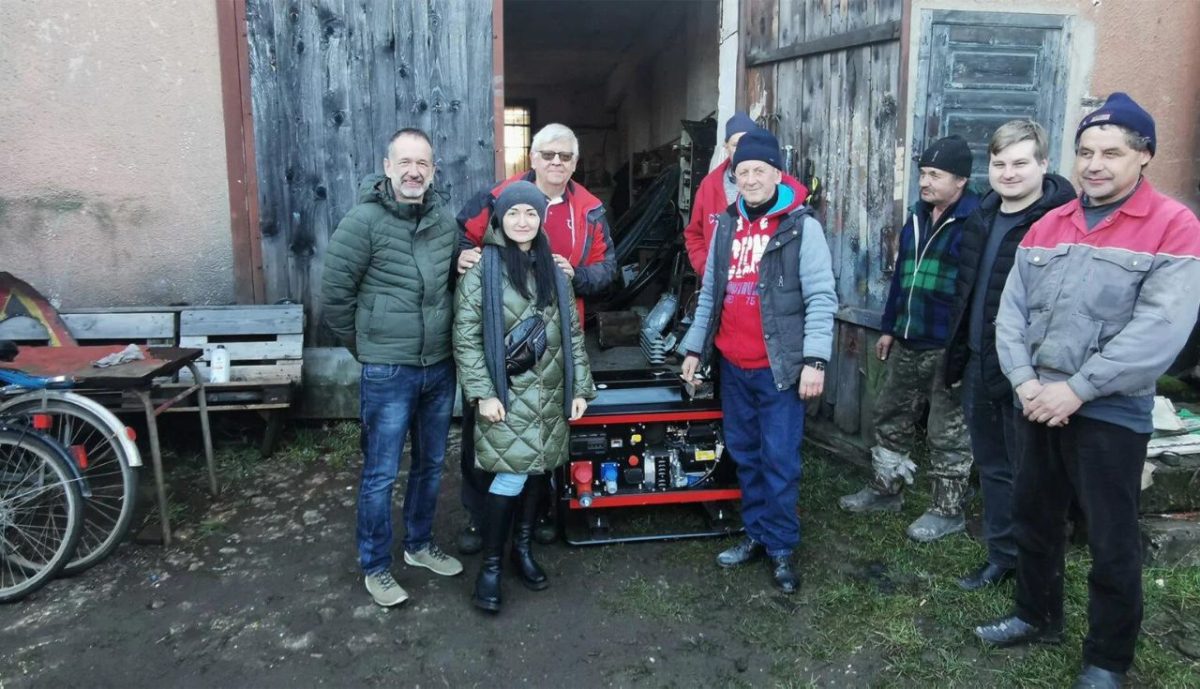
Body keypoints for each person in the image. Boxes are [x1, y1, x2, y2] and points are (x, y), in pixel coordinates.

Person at [974, 93, 1200, 689]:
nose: (1095, 164)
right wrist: (1025, 382)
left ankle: (1106, 658)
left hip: (1110, 412)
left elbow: (1160, 333)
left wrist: (1076, 389)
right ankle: (1035, 615)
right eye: (1085, 152)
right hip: (1037, 403)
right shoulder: (1050, 223)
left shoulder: (1174, 227)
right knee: (1035, 519)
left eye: (1112, 153)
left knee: (1110, 537)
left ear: (1144, 156)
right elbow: (1011, 314)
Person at [678, 127, 837, 594]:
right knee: (745, 455)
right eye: (743, 171)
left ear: (776, 173)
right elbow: (710, 294)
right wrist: (693, 347)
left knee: (779, 458)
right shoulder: (725, 224)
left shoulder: (800, 226)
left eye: (759, 171)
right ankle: (755, 533)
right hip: (734, 365)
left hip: (780, 368)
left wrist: (816, 361)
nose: (750, 179)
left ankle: (782, 547)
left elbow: (822, 297)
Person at [454, 123, 615, 554]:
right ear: (533, 157)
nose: (556, 163)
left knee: (544, 438)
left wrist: (575, 275)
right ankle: (479, 519)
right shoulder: (500, 195)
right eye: (548, 155)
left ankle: (539, 516)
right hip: (501, 346)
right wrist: (461, 256)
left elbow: (608, 270)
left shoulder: (591, 208)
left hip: (556, 342)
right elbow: (459, 235)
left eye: (565, 157)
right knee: (487, 436)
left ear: (575, 163)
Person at [321, 127, 464, 607]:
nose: (413, 172)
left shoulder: (444, 221)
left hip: (439, 367)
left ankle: (420, 545)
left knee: (430, 465)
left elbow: (451, 283)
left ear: (433, 171)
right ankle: (376, 566)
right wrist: (369, 348)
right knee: (381, 473)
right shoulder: (362, 222)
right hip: (389, 370)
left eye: (422, 164)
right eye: (404, 162)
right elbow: (335, 296)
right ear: (387, 167)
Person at [944, 121, 1076, 590]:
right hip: (983, 362)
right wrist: (959, 355)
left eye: (1021, 162)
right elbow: (968, 293)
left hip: (1035, 375)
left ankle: (1038, 569)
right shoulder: (981, 215)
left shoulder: (1062, 222)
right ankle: (1002, 556)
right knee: (994, 469)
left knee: (1035, 477)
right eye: (999, 163)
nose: (1009, 172)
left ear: (1043, 164)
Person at [453, 181, 596, 613]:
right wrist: (482, 393)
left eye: (530, 214)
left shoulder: (554, 270)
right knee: (511, 476)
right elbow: (466, 337)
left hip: (550, 392)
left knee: (538, 473)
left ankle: (523, 550)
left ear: (540, 218)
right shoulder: (484, 269)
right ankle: (492, 568)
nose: (522, 221)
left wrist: (580, 388)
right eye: (513, 213)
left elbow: (571, 332)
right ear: (500, 218)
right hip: (508, 394)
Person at [838, 135, 980, 543]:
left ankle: (947, 510)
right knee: (889, 413)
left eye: (935, 175)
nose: (925, 182)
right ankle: (886, 490)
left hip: (947, 346)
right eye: (922, 173)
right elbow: (901, 280)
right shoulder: (917, 218)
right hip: (907, 339)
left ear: (961, 181)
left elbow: (973, 291)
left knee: (946, 431)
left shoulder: (975, 222)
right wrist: (888, 328)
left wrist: (963, 347)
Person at [683, 112, 809, 275]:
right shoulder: (709, 186)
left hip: (767, 281)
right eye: (736, 144)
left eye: (747, 141)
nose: (751, 181)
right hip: (720, 282)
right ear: (726, 147)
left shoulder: (775, 181)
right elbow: (694, 234)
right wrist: (707, 268)